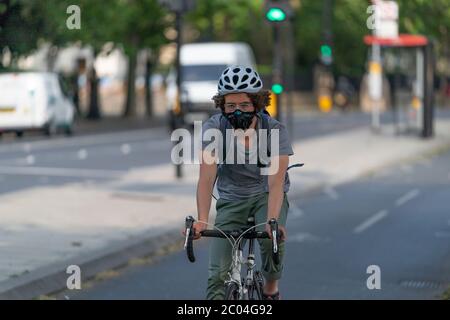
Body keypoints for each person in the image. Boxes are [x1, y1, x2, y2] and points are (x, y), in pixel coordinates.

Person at [192, 65, 294, 300]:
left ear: (257, 104)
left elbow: (276, 183)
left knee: (271, 241)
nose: (237, 111)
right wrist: (202, 220)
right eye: (230, 106)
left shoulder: (274, 130)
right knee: (217, 276)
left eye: (245, 105)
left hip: (265, 195)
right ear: (222, 105)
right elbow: (206, 178)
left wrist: (272, 222)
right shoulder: (215, 128)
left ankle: (270, 289)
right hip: (231, 198)